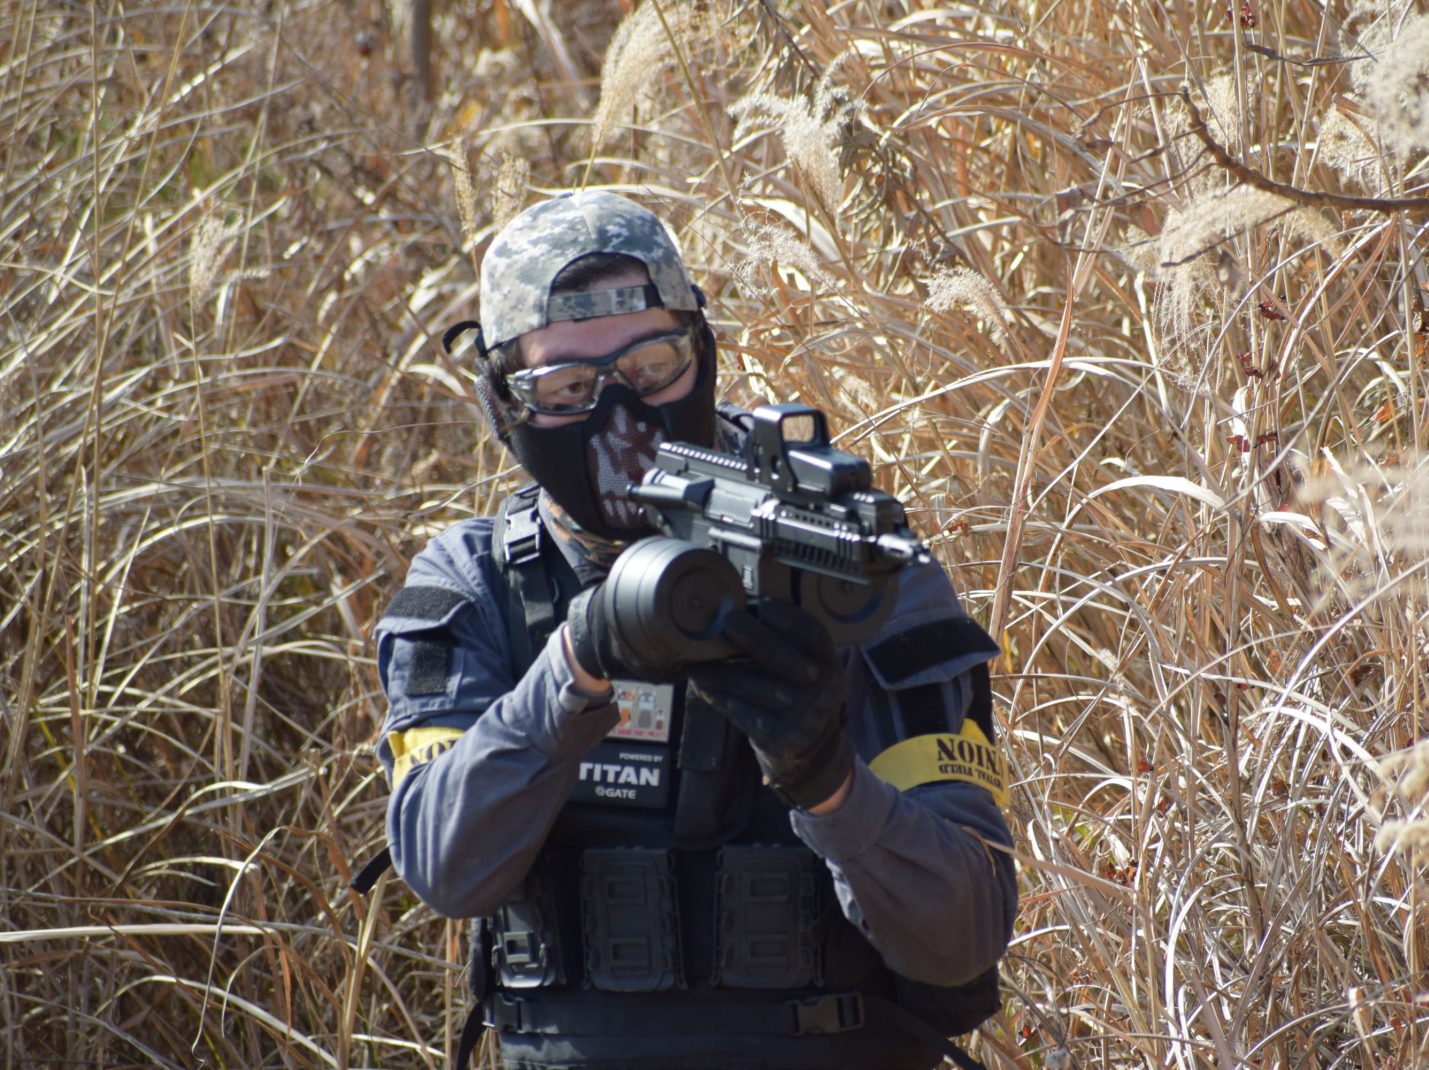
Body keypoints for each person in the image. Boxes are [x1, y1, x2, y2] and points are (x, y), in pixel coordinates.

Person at [371, 190, 1017, 1070]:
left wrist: (828, 783)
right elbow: (446, 867)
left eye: (653, 368)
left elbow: (963, 936)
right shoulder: (477, 583)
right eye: (568, 390)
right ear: (506, 406)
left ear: (703, 354)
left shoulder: (847, 570)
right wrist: (575, 664)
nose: (622, 420)